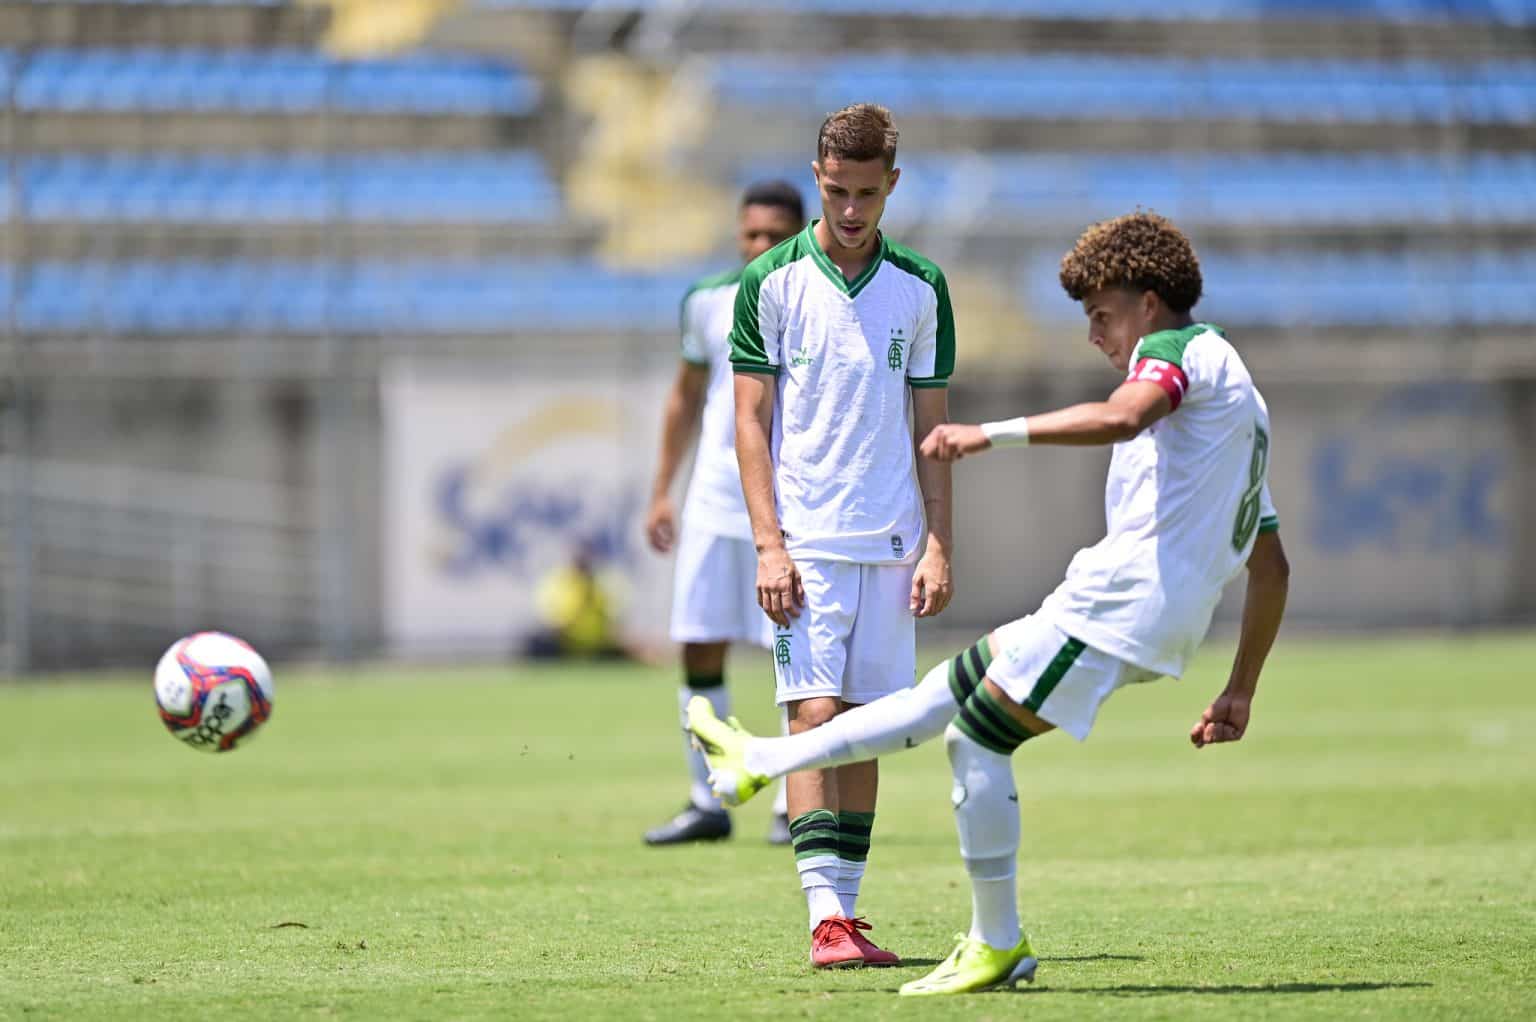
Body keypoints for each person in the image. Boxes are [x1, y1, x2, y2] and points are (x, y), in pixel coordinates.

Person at [692, 211, 1290, 994]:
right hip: (1120, 603)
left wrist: (988, 435)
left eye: (1102, 316)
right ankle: (762, 759)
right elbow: (1272, 564)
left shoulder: (1175, 355)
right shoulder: (1237, 392)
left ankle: (995, 942)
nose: (1094, 336)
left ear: (1149, 304)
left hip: (1123, 604)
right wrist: (1239, 687)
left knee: (974, 740)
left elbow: (1124, 415)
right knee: (944, 693)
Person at [729, 103, 956, 969]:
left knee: (864, 728)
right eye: (836, 191)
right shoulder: (771, 283)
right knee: (813, 714)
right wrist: (769, 543)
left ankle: (849, 916)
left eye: (867, 193)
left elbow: (931, 427)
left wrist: (938, 542)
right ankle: (823, 916)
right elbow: (750, 422)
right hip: (809, 543)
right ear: (817, 178)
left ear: (891, 185)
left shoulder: (922, 286)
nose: (852, 209)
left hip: (892, 542)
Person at [642, 181, 807, 847]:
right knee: (700, 644)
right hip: (714, 499)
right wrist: (661, 489)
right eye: (751, 235)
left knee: (792, 657)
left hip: (790, 505)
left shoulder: (817, 299)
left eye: (776, 235)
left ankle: (791, 800)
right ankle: (706, 797)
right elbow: (685, 398)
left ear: (802, 233)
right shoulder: (707, 300)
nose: (761, 247)